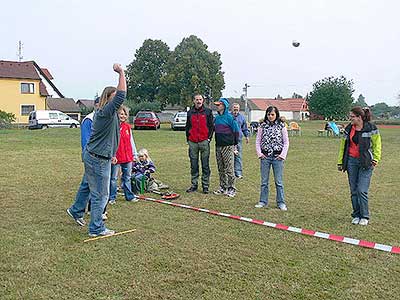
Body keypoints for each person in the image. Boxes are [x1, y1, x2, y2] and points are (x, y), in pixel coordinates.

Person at [67, 63, 126, 237]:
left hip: (97, 156)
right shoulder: (106, 112)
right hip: (98, 158)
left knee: (87, 185)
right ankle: (96, 228)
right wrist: (121, 72)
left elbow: (110, 137)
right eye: (114, 99)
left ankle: (76, 210)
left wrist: (112, 154)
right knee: (101, 193)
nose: (118, 104)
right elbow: (121, 94)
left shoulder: (110, 115)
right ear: (108, 99)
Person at [337, 106, 381, 226]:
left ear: (359, 117)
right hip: (351, 161)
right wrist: (340, 162)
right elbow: (343, 146)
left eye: (352, 116)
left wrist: (376, 158)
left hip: (366, 162)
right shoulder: (349, 128)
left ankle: (364, 216)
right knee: (354, 190)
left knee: (362, 190)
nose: (350, 118)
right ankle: (356, 214)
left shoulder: (371, 128)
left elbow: (377, 144)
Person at [66, 98, 99, 227]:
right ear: (97, 105)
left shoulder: (102, 118)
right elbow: (86, 141)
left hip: (100, 157)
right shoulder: (89, 120)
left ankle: (77, 210)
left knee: (88, 184)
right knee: (89, 184)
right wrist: (91, 156)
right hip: (92, 156)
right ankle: (78, 210)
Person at [255, 106, 289, 210]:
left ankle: (281, 202)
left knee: (278, 182)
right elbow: (258, 141)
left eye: (272, 114)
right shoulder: (262, 126)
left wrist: (282, 155)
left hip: (277, 157)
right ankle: (262, 201)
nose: (270, 116)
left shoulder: (281, 126)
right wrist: (260, 154)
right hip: (265, 157)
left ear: (276, 115)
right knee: (264, 181)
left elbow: (286, 142)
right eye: (269, 114)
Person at [185, 94, 214, 194]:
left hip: (204, 141)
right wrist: (188, 139)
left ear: (203, 101)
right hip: (193, 142)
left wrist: (209, 138)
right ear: (193, 101)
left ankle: (205, 186)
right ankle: (194, 184)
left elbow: (211, 126)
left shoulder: (208, 112)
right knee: (194, 164)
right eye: (197, 99)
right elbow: (187, 126)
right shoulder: (190, 113)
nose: (198, 101)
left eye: (200, 99)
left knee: (205, 165)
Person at [108, 105, 138, 204]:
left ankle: (129, 196)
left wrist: (134, 154)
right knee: (113, 178)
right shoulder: (113, 126)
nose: (123, 116)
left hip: (128, 156)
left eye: (125, 114)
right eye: (121, 114)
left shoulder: (127, 127)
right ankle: (112, 197)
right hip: (116, 157)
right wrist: (112, 155)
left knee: (127, 177)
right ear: (117, 114)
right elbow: (111, 142)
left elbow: (131, 141)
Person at [213, 98, 240, 197]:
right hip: (218, 146)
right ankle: (223, 187)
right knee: (221, 168)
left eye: (219, 105)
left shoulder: (230, 118)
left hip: (228, 147)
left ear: (224, 106)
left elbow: (236, 132)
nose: (217, 106)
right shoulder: (216, 118)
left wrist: (234, 145)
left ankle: (232, 188)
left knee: (229, 169)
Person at [231, 103, 250, 179]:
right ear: (231, 108)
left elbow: (244, 128)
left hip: (238, 140)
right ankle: (230, 173)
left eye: (237, 108)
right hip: (229, 140)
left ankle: (238, 173)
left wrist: (247, 136)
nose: (236, 109)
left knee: (238, 156)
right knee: (229, 157)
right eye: (234, 108)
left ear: (239, 109)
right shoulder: (228, 117)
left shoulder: (242, 118)